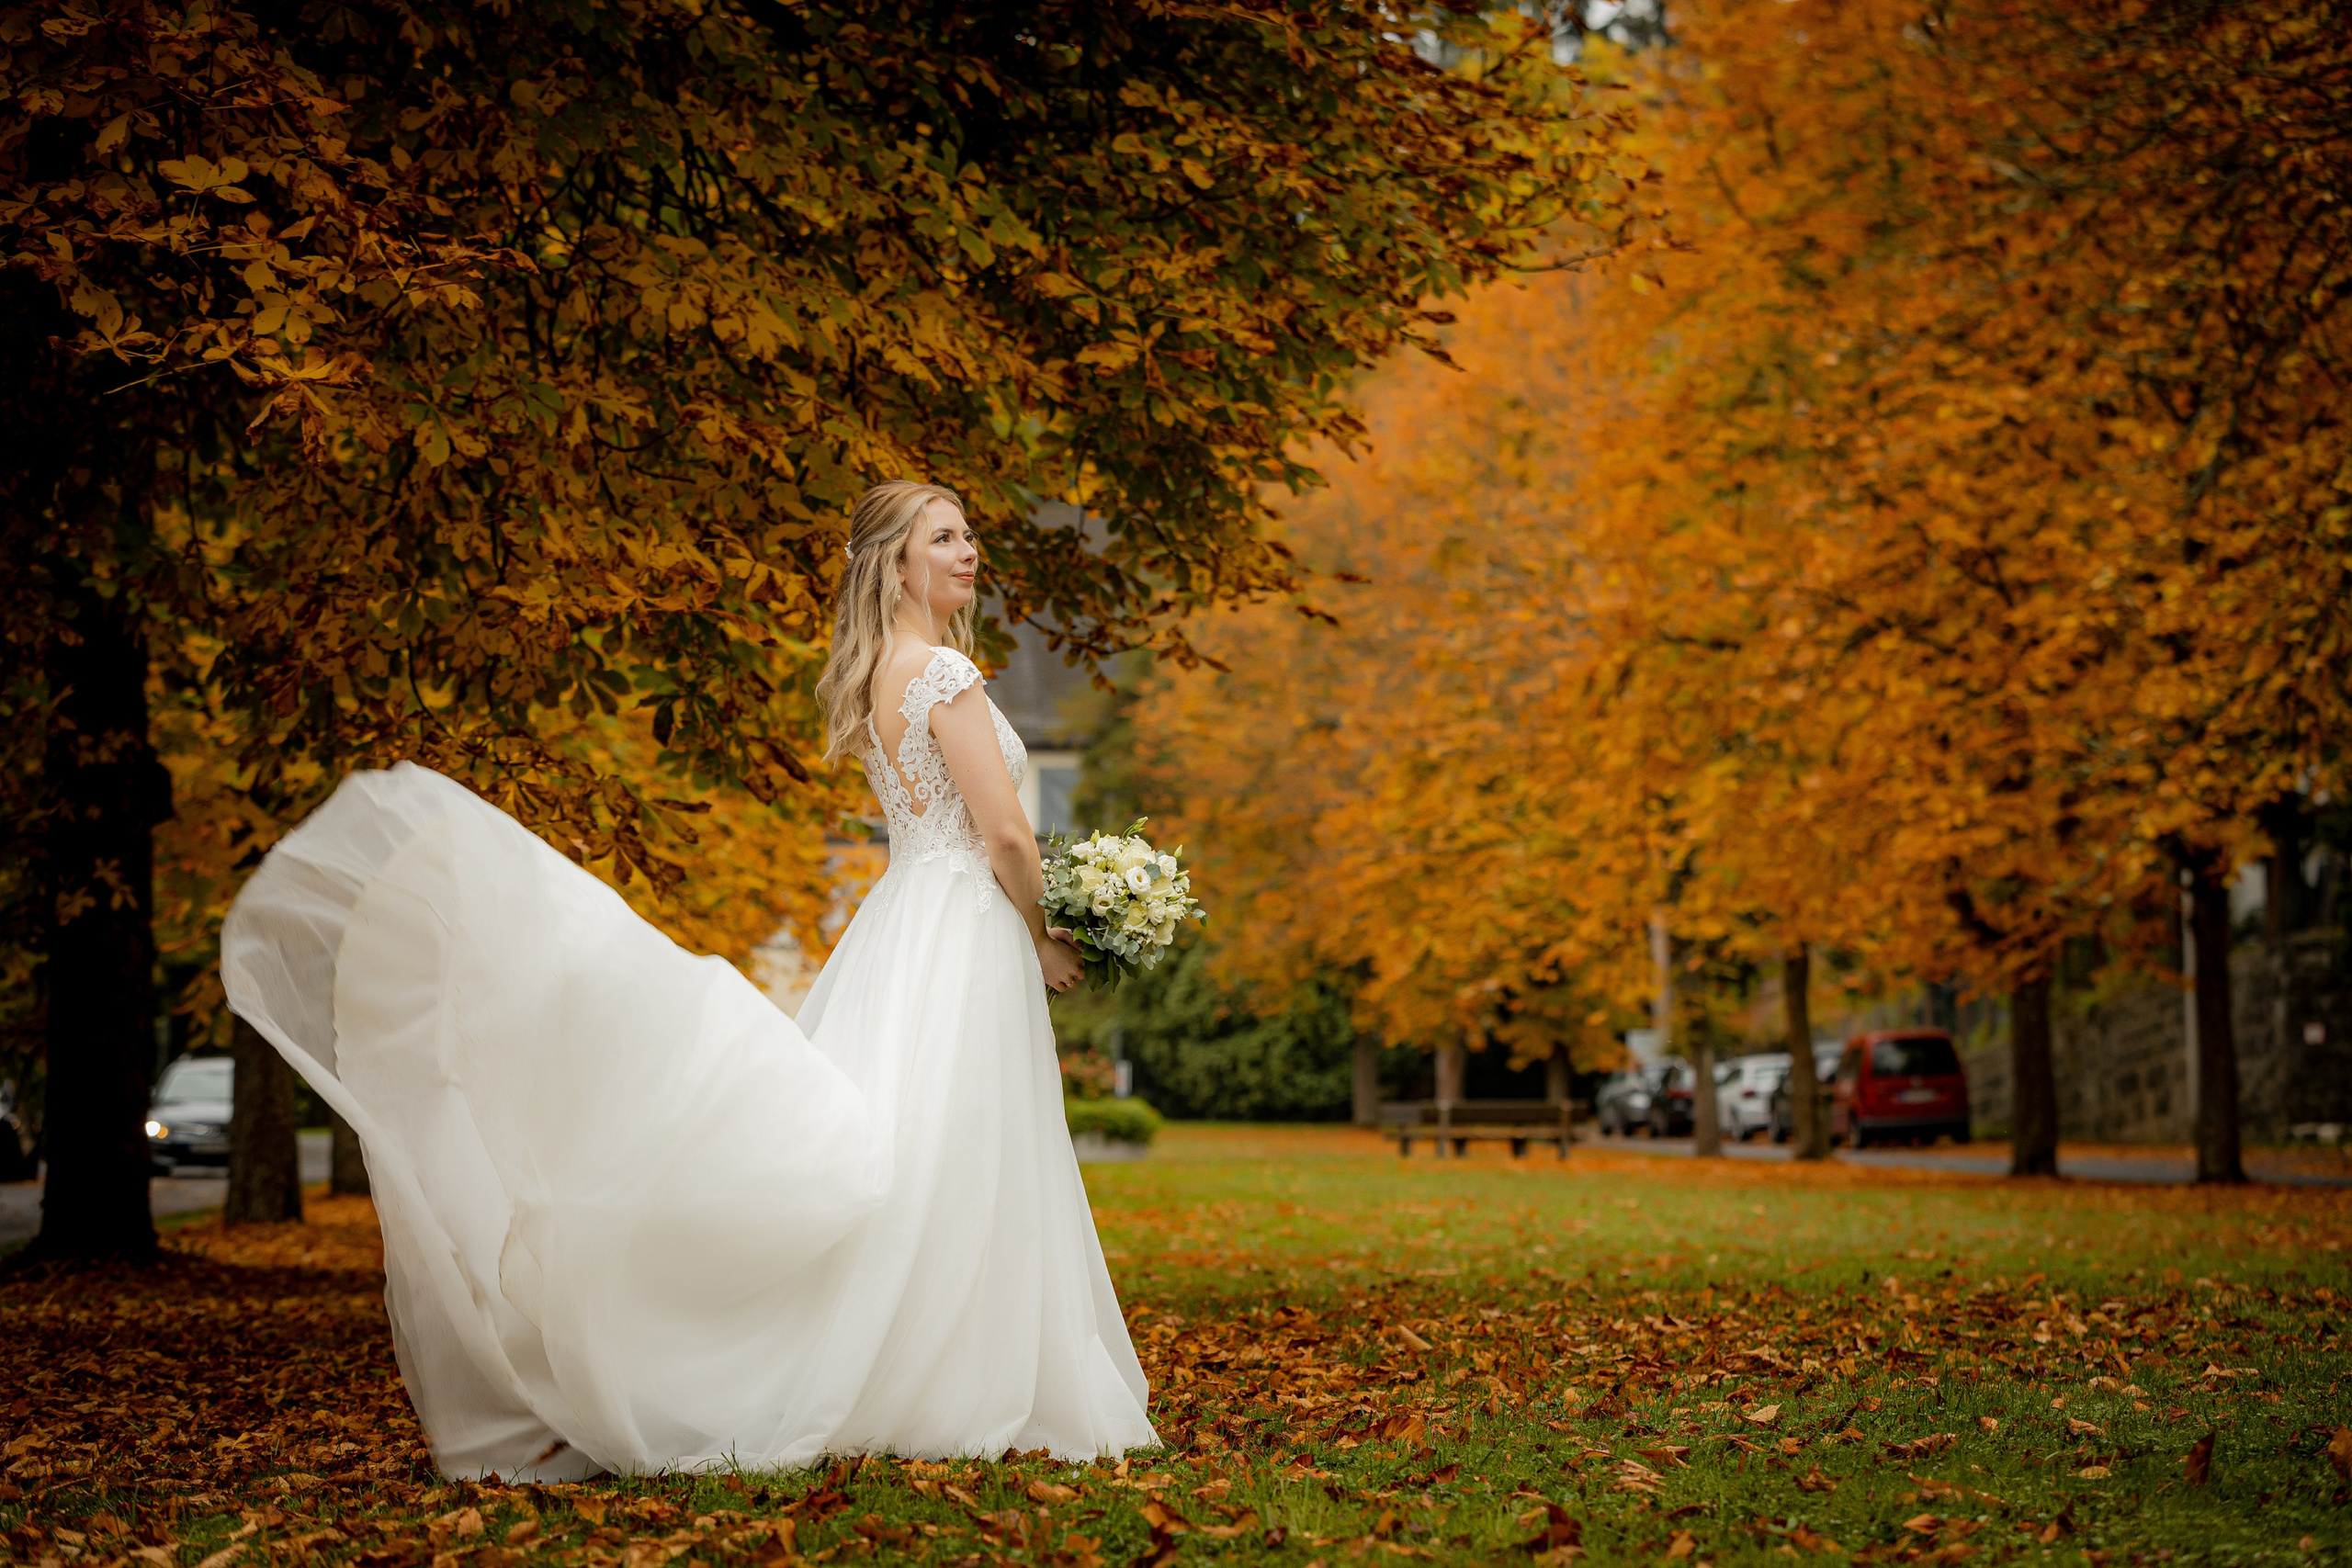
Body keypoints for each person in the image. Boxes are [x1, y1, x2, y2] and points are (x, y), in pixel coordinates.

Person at [221, 480, 1155, 1480]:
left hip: (907, 921)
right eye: (944, 536)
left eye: (968, 533)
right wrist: (1048, 929)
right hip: (964, 926)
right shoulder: (946, 672)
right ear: (896, 563)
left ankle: (937, 1366)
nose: (968, 551)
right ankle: (963, 1375)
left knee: (924, 1143)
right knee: (962, 1141)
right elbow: (1006, 831)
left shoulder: (886, 671)